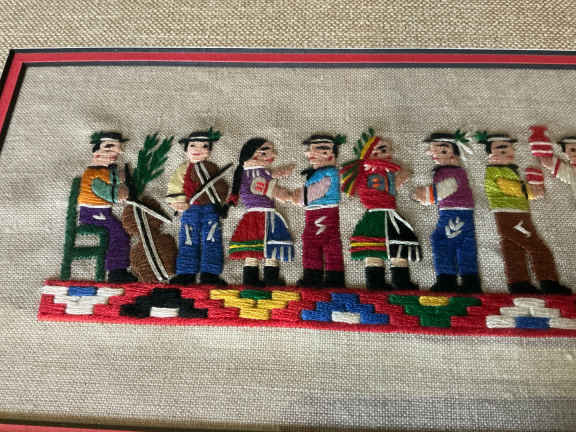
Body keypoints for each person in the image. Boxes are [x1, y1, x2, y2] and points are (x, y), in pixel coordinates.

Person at [477, 131, 570, 295]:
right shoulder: (495, 171)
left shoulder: (506, 169)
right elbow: (507, 188)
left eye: (511, 149)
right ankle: (548, 283)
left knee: (513, 250)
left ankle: (518, 284)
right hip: (512, 215)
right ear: (491, 154)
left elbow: (513, 189)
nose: (511, 153)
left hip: (512, 213)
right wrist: (530, 190)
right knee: (537, 247)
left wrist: (532, 190)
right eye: (503, 150)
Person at [341, 130, 421, 290]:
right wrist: (399, 179)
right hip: (380, 214)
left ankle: (390, 283)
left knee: (383, 248)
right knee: (383, 248)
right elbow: (381, 191)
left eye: (384, 150)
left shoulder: (382, 171)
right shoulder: (372, 173)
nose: (383, 154)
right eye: (377, 151)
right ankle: (385, 283)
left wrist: (398, 178)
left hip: (383, 213)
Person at [412, 131, 481, 293]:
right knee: (463, 243)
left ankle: (447, 280)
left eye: (443, 150)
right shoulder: (448, 170)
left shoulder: (451, 171)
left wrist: (426, 195)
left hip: (455, 210)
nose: (436, 155)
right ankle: (469, 281)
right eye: (434, 151)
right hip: (458, 210)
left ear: (454, 155)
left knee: (442, 240)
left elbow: (448, 187)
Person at [226, 138, 295, 286]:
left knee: (252, 250)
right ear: (254, 154)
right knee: (269, 249)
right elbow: (261, 187)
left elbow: (269, 176)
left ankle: (251, 281)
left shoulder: (254, 172)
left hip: (255, 215)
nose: (274, 154)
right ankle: (269, 280)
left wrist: (281, 172)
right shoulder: (252, 173)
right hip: (262, 215)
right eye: (266, 152)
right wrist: (286, 196)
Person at [166, 128, 229, 286]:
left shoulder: (212, 168)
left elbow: (221, 186)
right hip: (190, 209)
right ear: (186, 149)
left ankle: (210, 273)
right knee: (188, 238)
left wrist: (220, 200)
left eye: (204, 146)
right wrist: (178, 201)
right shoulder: (183, 169)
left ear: (209, 151)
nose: (198, 149)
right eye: (193, 145)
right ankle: (186, 273)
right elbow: (175, 186)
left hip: (210, 209)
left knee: (212, 238)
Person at [283, 134, 346, 288]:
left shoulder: (329, 173)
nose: (309, 155)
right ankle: (323, 277)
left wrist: (297, 197)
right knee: (321, 244)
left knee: (320, 243)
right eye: (310, 151)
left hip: (323, 212)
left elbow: (318, 190)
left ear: (330, 155)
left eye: (317, 151)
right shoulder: (322, 172)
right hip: (317, 212)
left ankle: (323, 278)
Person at [78, 131, 137, 283]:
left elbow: (114, 177)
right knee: (118, 233)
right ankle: (116, 271)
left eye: (117, 149)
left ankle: (119, 269)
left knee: (120, 231)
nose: (115, 153)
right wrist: (119, 194)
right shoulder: (94, 173)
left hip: (101, 212)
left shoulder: (102, 170)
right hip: (93, 213)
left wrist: (124, 177)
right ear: (96, 152)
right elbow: (104, 191)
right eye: (109, 148)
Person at [529, 125, 576, 203]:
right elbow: (567, 174)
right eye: (572, 150)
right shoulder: (572, 172)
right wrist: (552, 164)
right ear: (565, 153)